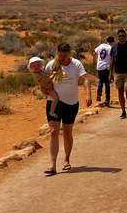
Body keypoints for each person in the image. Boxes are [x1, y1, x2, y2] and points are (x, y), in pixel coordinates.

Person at [33, 43, 92, 176]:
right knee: (53, 132)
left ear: (69, 54)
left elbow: (85, 80)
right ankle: (53, 165)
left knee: (67, 131)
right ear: (57, 53)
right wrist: (44, 90)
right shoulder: (51, 65)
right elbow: (43, 80)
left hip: (71, 103)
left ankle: (66, 160)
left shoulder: (76, 64)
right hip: (54, 102)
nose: (63, 59)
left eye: (65, 56)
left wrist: (88, 95)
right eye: (61, 56)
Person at [93, 36, 114, 107]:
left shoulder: (101, 45)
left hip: (99, 66)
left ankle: (99, 93)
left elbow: (94, 53)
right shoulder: (111, 48)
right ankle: (107, 99)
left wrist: (94, 61)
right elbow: (112, 58)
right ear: (112, 42)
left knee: (101, 80)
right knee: (107, 83)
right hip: (106, 67)